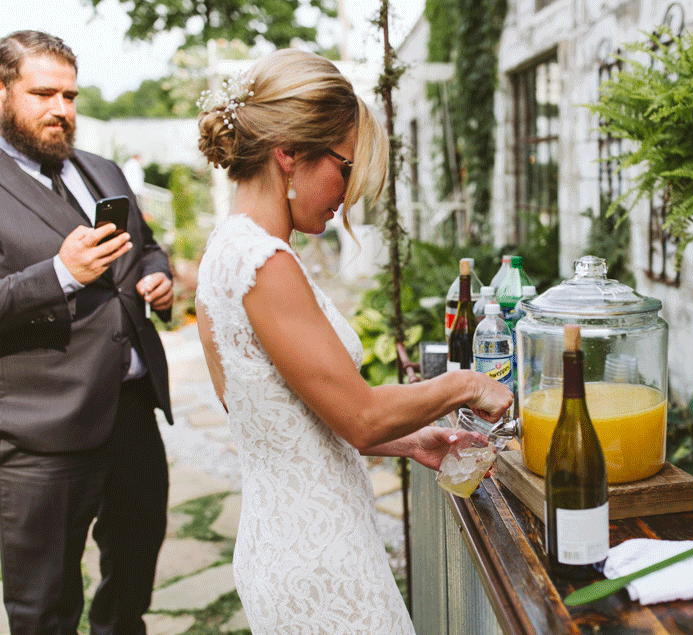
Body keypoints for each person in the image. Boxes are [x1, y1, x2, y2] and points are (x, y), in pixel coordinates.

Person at [194, 49, 512, 634]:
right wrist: (465, 383)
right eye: (343, 167)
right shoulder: (263, 262)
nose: (348, 193)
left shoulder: (226, 251)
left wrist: (411, 440)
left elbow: (281, 420)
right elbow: (360, 416)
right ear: (288, 155)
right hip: (319, 561)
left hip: (289, 540)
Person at [0, 31, 174, 634]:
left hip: (132, 412)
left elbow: (147, 249)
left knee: (131, 584)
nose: (60, 109)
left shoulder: (98, 169)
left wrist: (158, 277)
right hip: (41, 431)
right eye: (42, 93)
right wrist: (59, 274)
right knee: (45, 607)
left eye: (70, 95)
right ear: (2, 92)